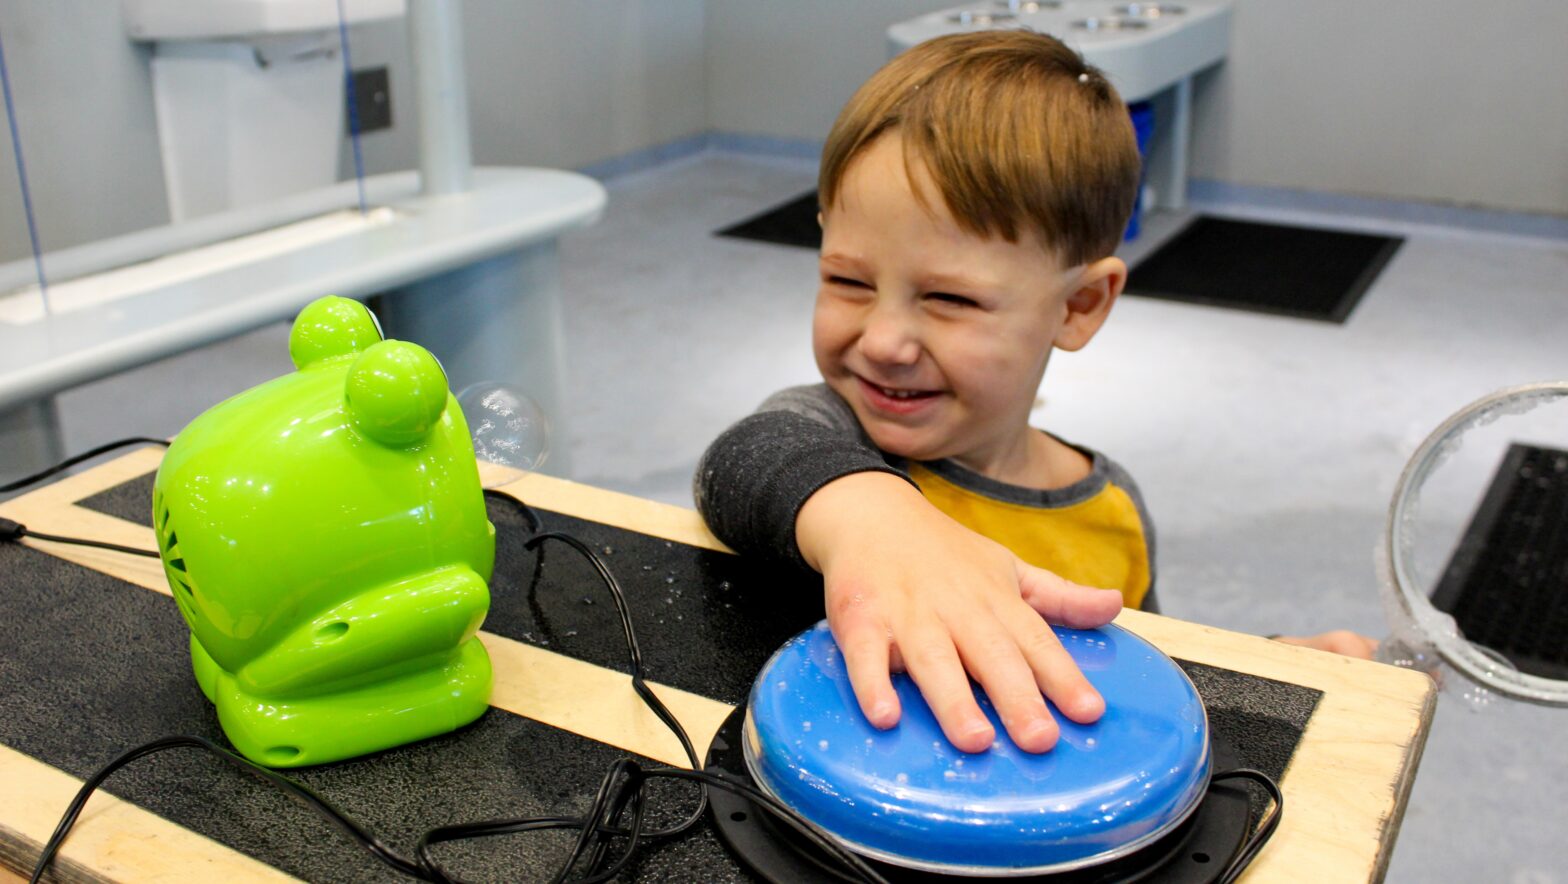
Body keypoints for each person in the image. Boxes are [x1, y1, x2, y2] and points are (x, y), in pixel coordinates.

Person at [694, 31, 1365, 758]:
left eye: (950, 298)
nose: (884, 341)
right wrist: (878, 524)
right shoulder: (832, 433)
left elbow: (1130, 678)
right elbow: (743, 460)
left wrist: (1267, 670)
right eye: (848, 280)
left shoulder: (1111, 517)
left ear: (1078, 306)